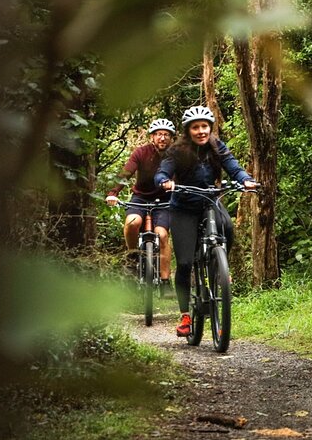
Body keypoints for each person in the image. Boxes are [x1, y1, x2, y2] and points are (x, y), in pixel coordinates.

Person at [154, 106, 257, 336]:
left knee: (228, 227)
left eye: (204, 126)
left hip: (210, 201)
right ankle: (185, 316)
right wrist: (164, 181)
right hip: (184, 208)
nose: (201, 131)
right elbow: (163, 171)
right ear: (188, 130)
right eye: (195, 127)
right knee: (184, 263)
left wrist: (246, 180)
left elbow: (233, 167)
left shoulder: (216, 146)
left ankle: (219, 268)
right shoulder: (177, 150)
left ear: (210, 128)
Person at [106, 118, 175, 295]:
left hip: (164, 201)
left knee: (162, 235)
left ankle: (166, 282)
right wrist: (113, 192)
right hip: (140, 198)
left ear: (171, 138)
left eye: (166, 135)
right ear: (152, 137)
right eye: (159, 134)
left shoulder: (175, 156)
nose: (162, 138)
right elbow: (125, 172)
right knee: (132, 223)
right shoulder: (141, 153)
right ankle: (132, 257)